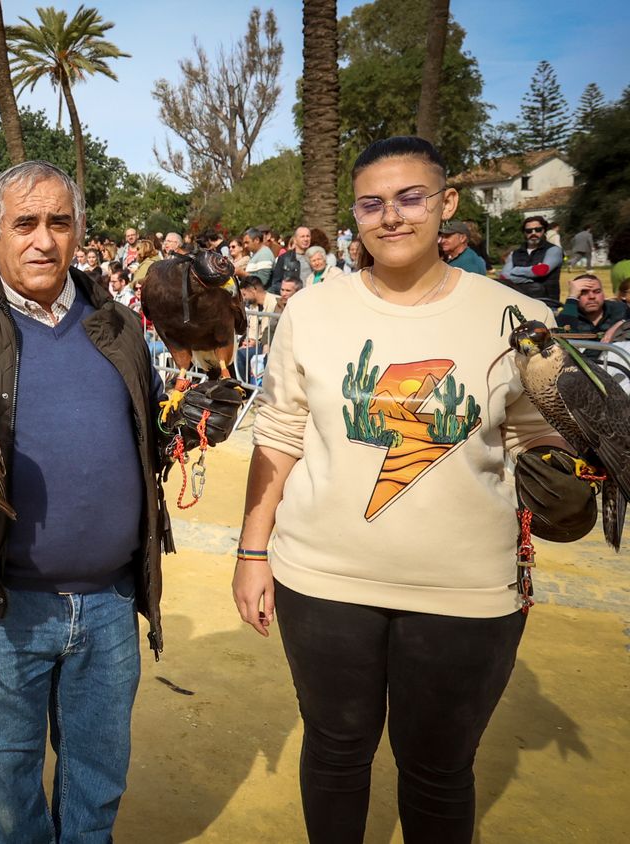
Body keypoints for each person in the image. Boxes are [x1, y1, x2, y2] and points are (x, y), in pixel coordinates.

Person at [234, 136, 578, 843]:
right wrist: (252, 552)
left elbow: (531, 437)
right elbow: (279, 435)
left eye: (410, 197)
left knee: (439, 770)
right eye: (372, 203)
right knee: (334, 752)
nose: (392, 216)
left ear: (446, 204)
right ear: (355, 216)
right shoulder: (312, 312)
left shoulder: (516, 316)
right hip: (323, 582)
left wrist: (567, 471)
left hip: (467, 592)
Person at [0, 160, 241, 843]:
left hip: (109, 605)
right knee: (7, 796)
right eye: (24, 223)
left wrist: (183, 422)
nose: (42, 240)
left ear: (79, 233)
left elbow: (148, 427)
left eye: (59, 223)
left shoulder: (119, 324)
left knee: (96, 788)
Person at [500, 215, 563, 304]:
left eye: (538, 230)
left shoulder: (554, 250)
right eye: (529, 231)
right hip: (518, 301)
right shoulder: (515, 253)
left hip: (546, 302)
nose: (533, 233)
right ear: (524, 233)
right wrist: (530, 277)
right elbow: (504, 277)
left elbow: (542, 270)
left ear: (544, 230)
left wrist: (515, 270)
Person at [555, 273, 626, 338]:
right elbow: (564, 337)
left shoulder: (620, 310)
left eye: (597, 292)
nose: (592, 296)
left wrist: (619, 324)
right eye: (584, 293)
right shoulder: (569, 315)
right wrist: (572, 297)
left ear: (603, 294)